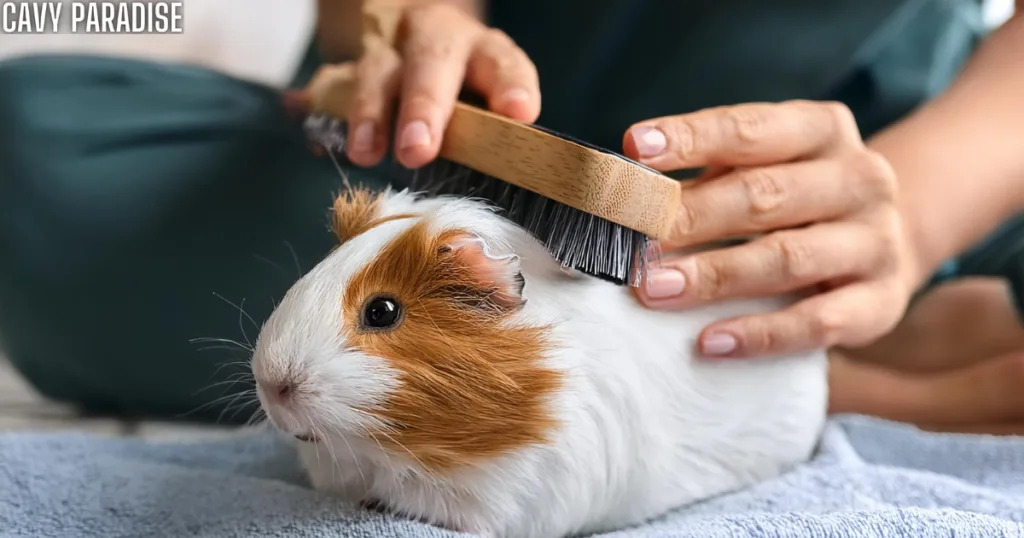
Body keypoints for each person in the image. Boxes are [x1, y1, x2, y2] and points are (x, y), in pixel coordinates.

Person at [0, 0, 1021, 432]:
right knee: (32, 152)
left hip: (869, 154)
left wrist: (915, 210)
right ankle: (799, 376)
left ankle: (844, 336)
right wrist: (418, 28)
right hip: (448, 155)